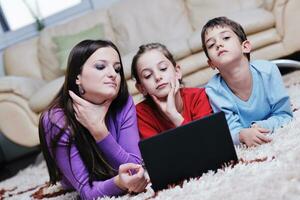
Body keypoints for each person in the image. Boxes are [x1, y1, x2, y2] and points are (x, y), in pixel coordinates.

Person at [39, 40, 148, 200]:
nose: (113, 74)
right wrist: (119, 182)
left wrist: (99, 130)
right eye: (100, 66)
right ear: (77, 77)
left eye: (117, 69)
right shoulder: (56, 120)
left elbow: (135, 168)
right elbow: (86, 192)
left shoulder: (123, 102)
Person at [201, 17, 293, 147]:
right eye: (211, 45)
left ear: (245, 46)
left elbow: (285, 114)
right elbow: (229, 132)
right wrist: (242, 136)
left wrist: (262, 126)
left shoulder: (268, 71)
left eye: (226, 38)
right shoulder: (214, 90)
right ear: (211, 63)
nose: (218, 44)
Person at [131, 43, 212, 139]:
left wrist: (173, 115)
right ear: (141, 88)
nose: (157, 77)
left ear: (177, 72)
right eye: (148, 75)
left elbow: (207, 143)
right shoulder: (139, 114)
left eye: (163, 68)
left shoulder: (199, 96)